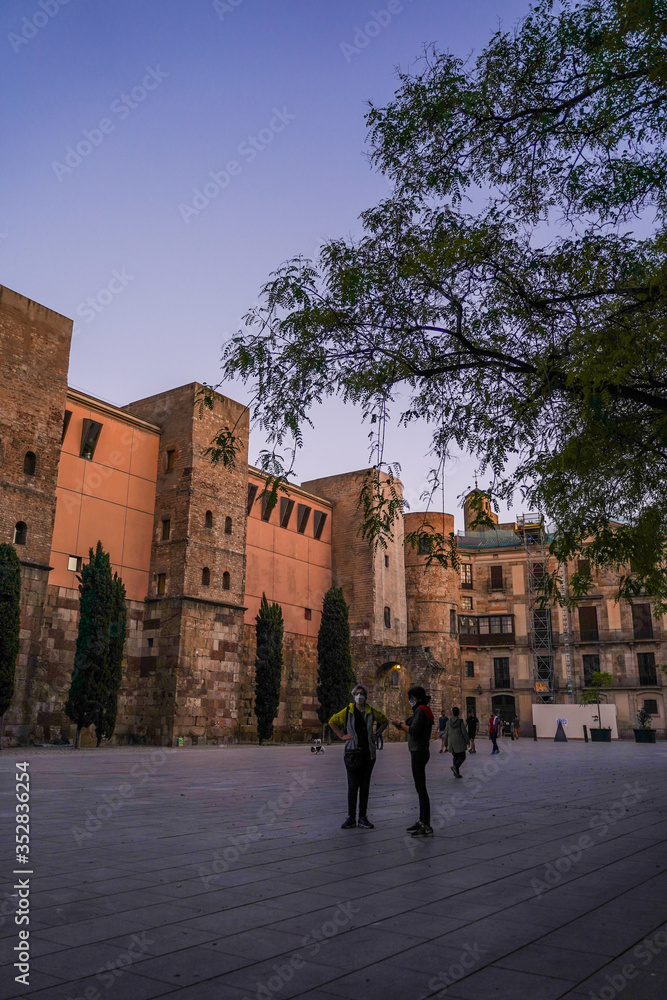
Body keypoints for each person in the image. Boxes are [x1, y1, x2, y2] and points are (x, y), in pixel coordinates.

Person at [329, 684, 388, 830]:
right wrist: (342, 736)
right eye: (357, 694)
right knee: (352, 785)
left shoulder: (371, 711)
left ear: (366, 697)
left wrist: (376, 733)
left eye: (362, 694)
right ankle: (351, 817)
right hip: (352, 753)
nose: (359, 696)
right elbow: (332, 722)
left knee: (365, 785)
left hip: (368, 753)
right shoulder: (348, 711)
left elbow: (385, 720)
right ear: (354, 696)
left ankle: (362, 816)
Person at [391, 685, 434, 837]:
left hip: (419, 751)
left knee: (421, 789)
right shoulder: (422, 710)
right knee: (420, 788)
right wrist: (401, 725)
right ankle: (422, 820)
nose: (410, 701)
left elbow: (414, 730)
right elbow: (411, 727)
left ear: (419, 698)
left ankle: (426, 824)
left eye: (412, 698)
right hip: (420, 750)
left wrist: (400, 724)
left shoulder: (421, 711)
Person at [443, 707, 470, 778]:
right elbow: (464, 732)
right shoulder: (460, 721)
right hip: (459, 742)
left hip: (452, 742)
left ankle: (456, 773)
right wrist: (467, 741)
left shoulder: (448, 722)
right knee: (462, 757)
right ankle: (455, 767)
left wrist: (445, 743)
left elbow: (447, 733)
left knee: (455, 757)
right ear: (458, 713)